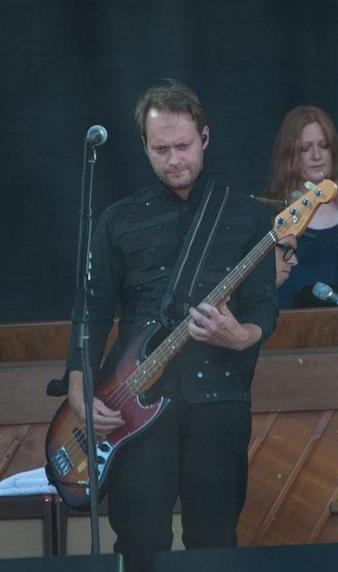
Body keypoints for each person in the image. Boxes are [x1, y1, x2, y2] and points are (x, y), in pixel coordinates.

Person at [65, 79, 278, 571]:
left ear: (205, 137)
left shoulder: (246, 216)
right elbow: (91, 314)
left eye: (183, 146)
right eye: (161, 149)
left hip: (218, 401)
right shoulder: (117, 221)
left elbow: (264, 306)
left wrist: (239, 335)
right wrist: (80, 390)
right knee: (139, 541)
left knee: (214, 538)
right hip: (133, 407)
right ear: (144, 146)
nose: (174, 158)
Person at [265, 105, 338, 308]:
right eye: (305, 148)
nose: (317, 156)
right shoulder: (272, 211)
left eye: (324, 145)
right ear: (289, 153)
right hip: (288, 326)